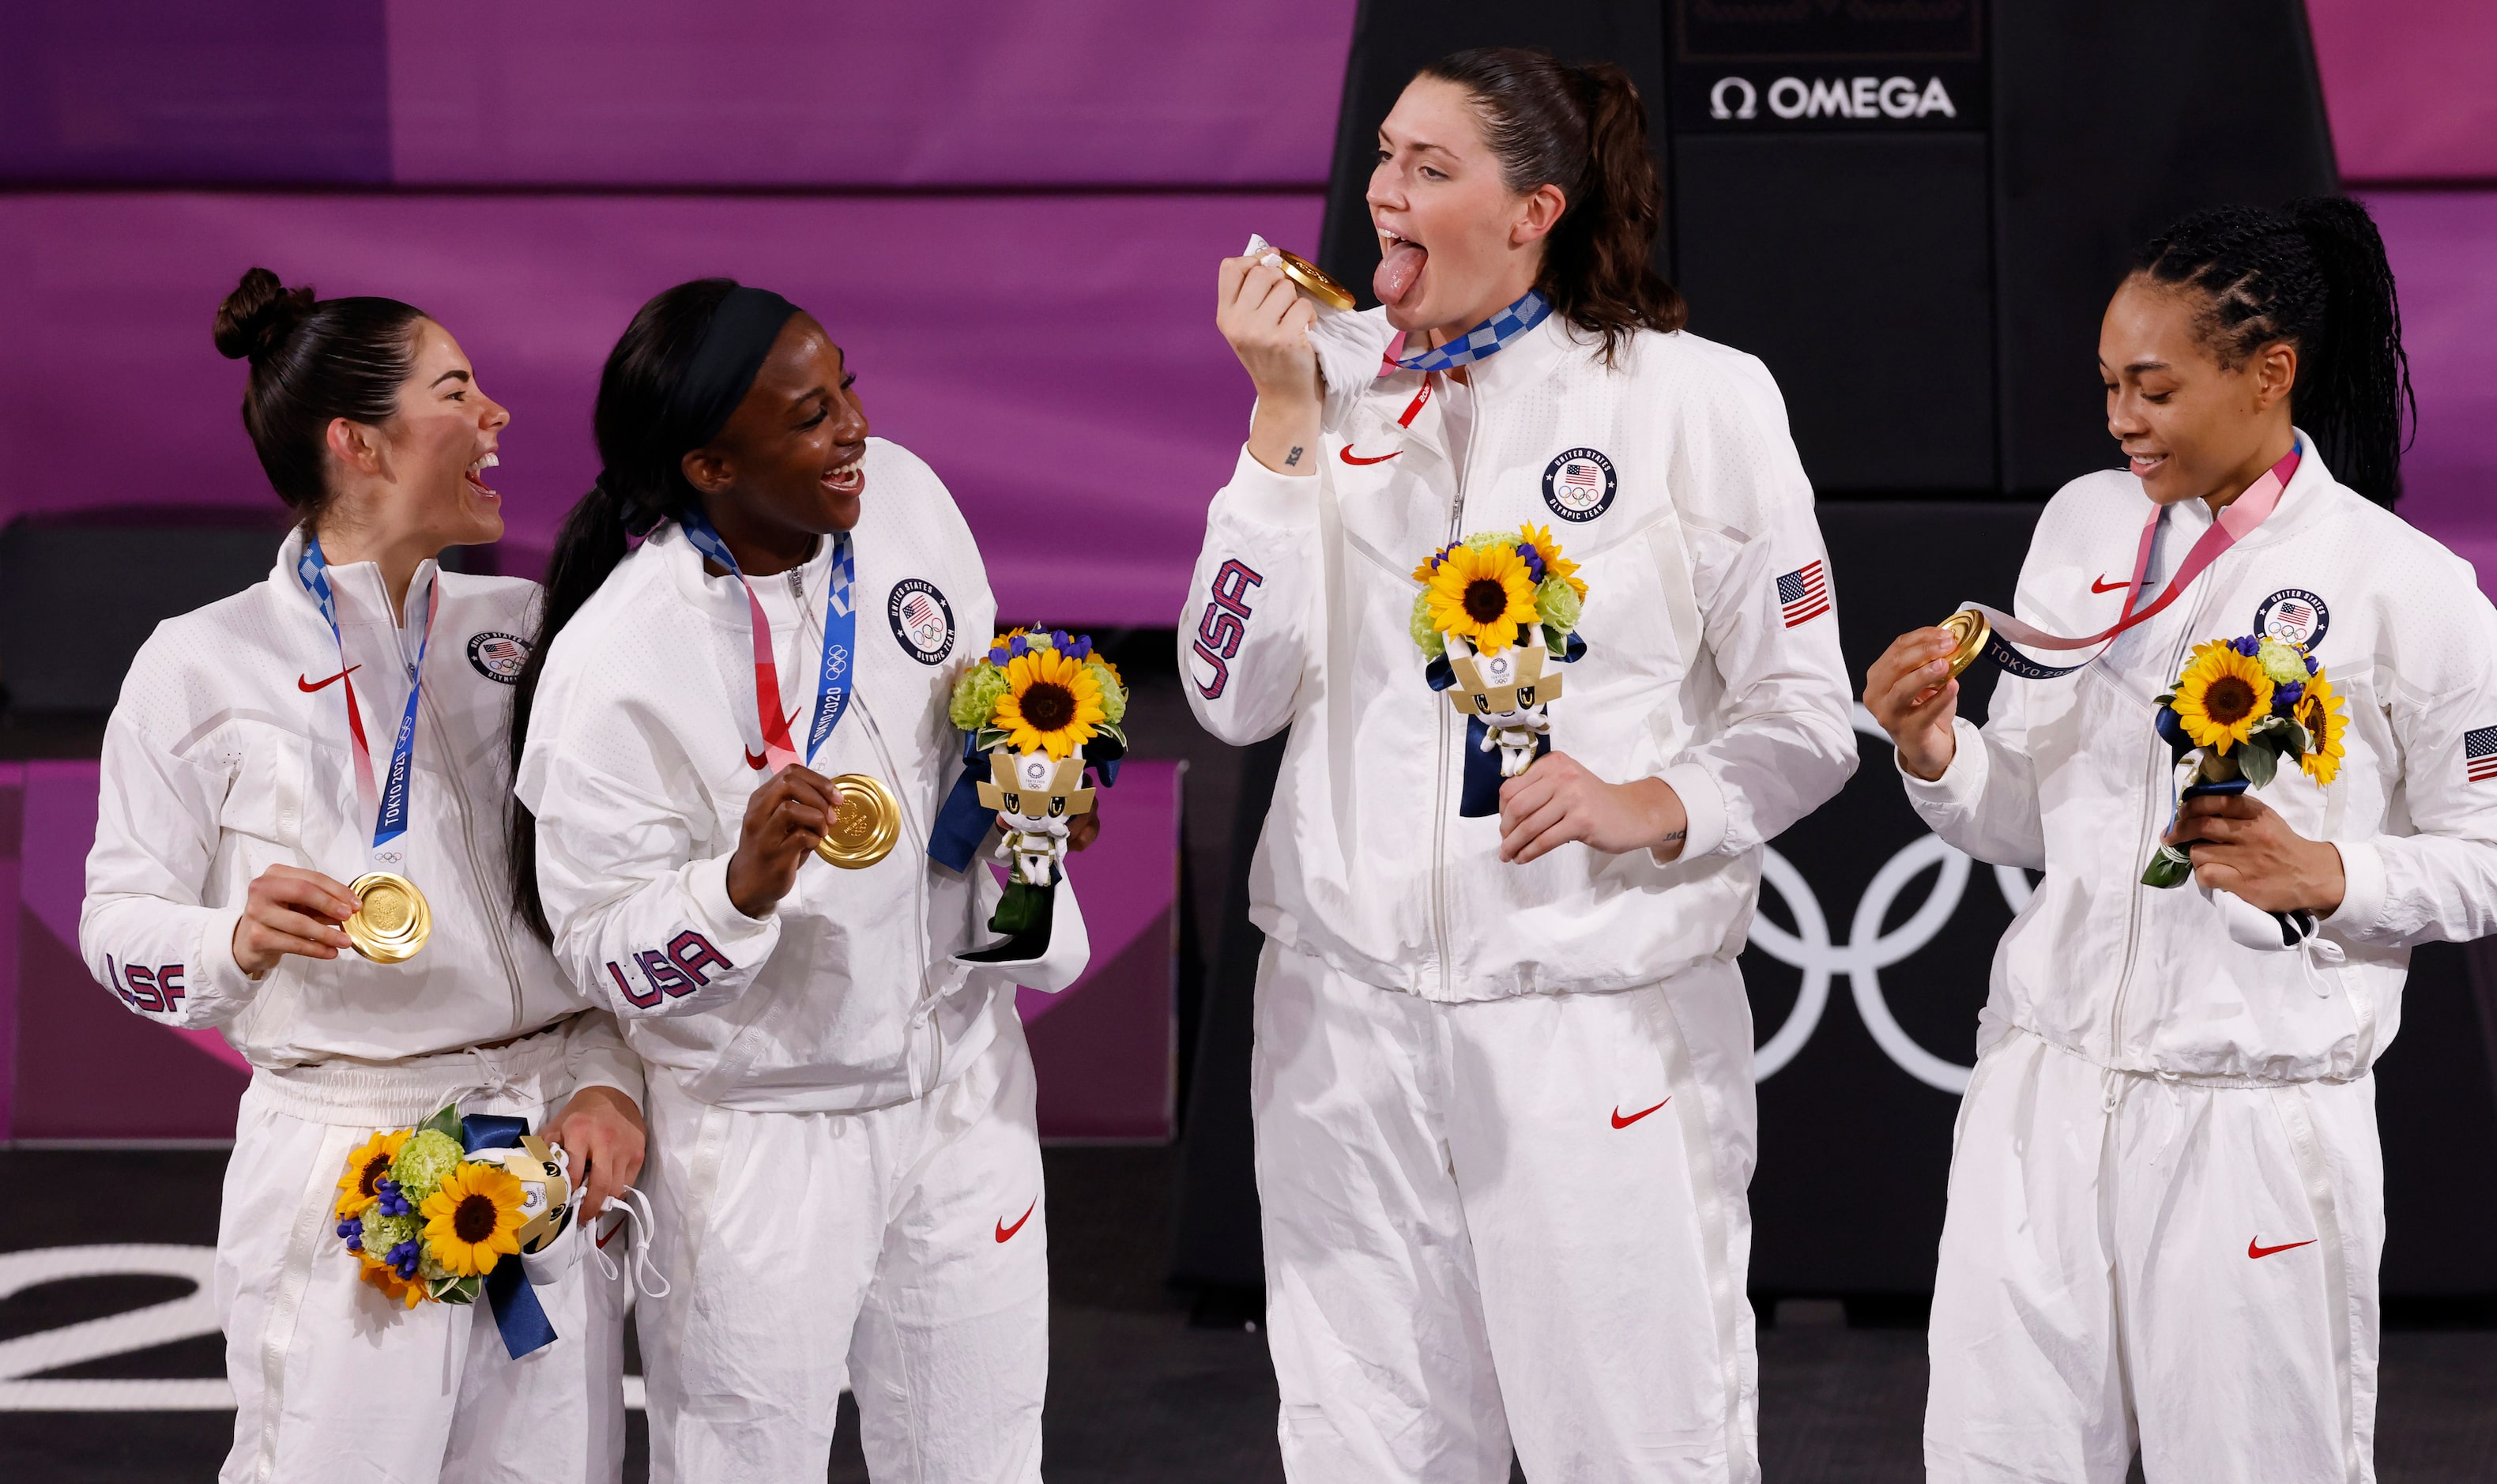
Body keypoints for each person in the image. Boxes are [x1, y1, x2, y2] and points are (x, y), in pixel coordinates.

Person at [1186, 47, 1856, 1483]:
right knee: (1363, 1450)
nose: (1384, 191)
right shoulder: (1329, 386)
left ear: (1534, 208)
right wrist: (1279, 421)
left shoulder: (1696, 399)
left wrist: (1657, 802)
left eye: (1432, 169)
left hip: (1591, 1020)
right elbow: (1222, 694)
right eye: (1382, 158)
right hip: (1340, 1028)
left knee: (1635, 1447)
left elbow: (1806, 717)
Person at [1864, 199, 2497, 1482]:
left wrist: (2337, 875)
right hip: (2040, 1093)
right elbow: (2028, 814)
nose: (2120, 417)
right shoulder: (2078, 526)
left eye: (2153, 387)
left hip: (2251, 1122)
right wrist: (1934, 751)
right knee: (1991, 1462)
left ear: (2267, 372)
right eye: (2108, 384)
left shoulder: (2409, 587)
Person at [510, 279, 1090, 1482]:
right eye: (810, 414)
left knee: (985, 1455)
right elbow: (597, 944)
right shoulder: (616, 662)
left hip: (961, 1085)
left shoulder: (910, 505)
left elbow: (976, 719)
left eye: (849, 390)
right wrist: (736, 888)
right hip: (764, 1134)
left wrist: (1034, 797)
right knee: (741, 1464)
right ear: (712, 465)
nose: (855, 432)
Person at [80, 268, 646, 1483]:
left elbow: (591, 907)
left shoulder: (526, 630)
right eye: (457, 391)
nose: (496, 415)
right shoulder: (200, 662)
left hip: (541, 1143)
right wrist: (228, 937)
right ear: (359, 444)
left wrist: (608, 1083)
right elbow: (115, 925)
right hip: (348, 1151)